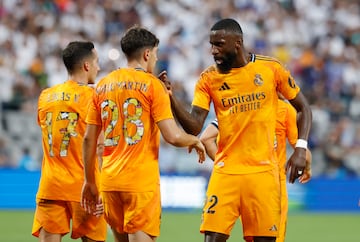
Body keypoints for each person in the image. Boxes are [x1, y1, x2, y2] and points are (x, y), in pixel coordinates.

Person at [159, 18, 312, 242]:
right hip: (225, 173)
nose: (213, 50)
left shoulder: (270, 68)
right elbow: (194, 126)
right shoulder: (208, 79)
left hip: (263, 175)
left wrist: (300, 148)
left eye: (219, 44)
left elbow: (303, 108)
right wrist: (171, 98)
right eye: (211, 44)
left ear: (237, 43)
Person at [80, 25, 206, 242]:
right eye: (155, 54)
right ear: (147, 54)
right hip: (139, 184)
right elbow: (173, 136)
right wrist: (194, 139)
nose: (156, 59)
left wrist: (90, 181)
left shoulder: (102, 86)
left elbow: (89, 138)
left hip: (110, 182)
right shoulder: (152, 85)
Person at [199, 96, 312, 242]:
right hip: (269, 185)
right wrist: (308, 166)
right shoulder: (283, 109)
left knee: (215, 235)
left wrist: (227, 164)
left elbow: (206, 138)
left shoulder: (240, 103)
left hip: (232, 179)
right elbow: (302, 151)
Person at [32, 41, 107, 242]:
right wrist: (100, 188)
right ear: (86, 66)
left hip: (51, 186)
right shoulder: (94, 97)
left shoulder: (45, 97)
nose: (99, 68)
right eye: (97, 62)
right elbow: (100, 147)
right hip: (85, 188)